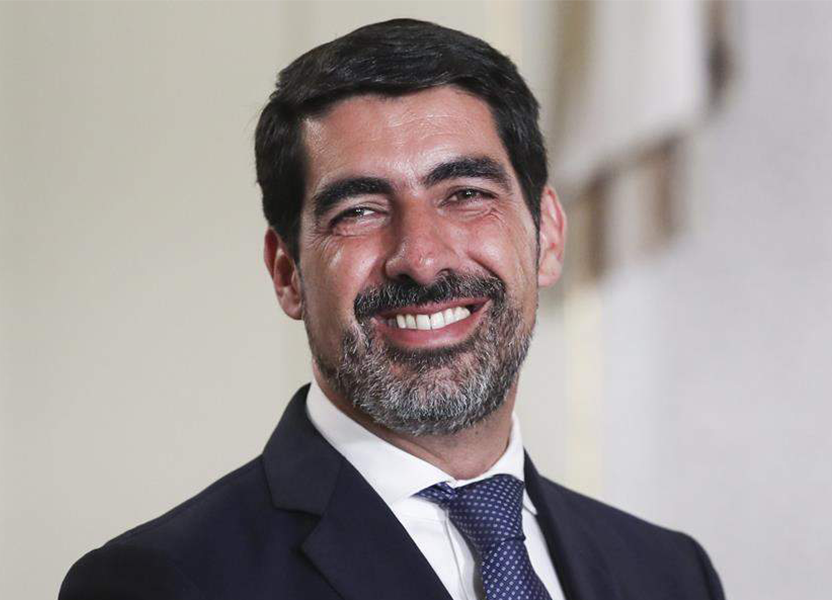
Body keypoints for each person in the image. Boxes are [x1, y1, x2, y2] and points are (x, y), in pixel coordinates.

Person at [60, 19, 725, 600]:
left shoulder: (670, 574)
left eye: (466, 194)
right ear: (287, 274)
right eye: (359, 211)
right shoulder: (162, 583)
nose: (422, 258)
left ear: (546, 234)